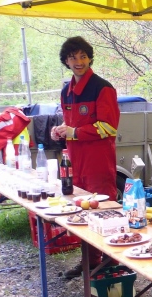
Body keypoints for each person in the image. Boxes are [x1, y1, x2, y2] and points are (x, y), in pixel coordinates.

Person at [51, 36, 119, 279]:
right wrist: (60, 130)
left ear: (90, 58)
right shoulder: (66, 92)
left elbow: (109, 127)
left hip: (98, 162)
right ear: (66, 61)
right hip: (75, 163)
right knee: (81, 214)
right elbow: (71, 122)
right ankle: (90, 262)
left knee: (105, 212)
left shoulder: (103, 88)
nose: (79, 62)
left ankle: (113, 263)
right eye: (73, 57)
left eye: (83, 56)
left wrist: (74, 132)